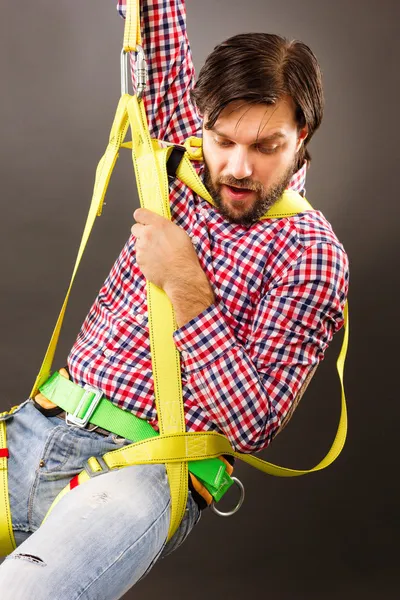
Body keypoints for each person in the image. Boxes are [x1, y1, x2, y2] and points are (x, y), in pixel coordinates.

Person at [0, 0, 349, 598]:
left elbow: (254, 421)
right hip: (35, 429)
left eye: (267, 146)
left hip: (145, 470)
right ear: (202, 123)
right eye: (222, 140)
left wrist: (186, 284)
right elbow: (156, 17)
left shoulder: (311, 252)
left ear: (302, 136)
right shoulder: (178, 164)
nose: (238, 168)